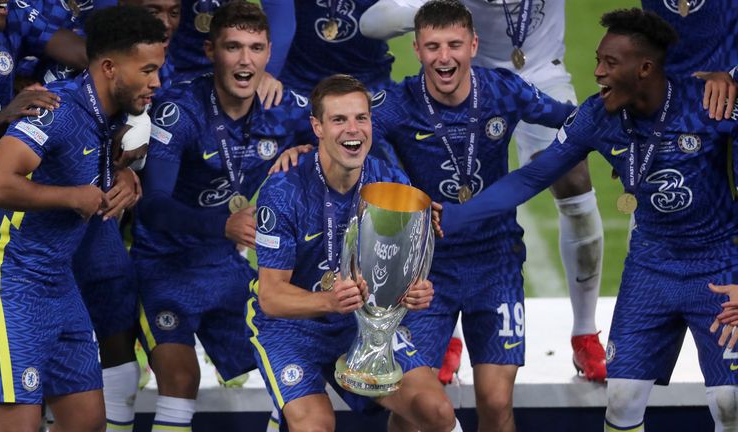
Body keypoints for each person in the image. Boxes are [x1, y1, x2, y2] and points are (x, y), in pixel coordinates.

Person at [438, 8, 738, 432]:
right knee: (622, 398)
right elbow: (532, 177)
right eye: (598, 59)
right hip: (650, 267)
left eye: (609, 63)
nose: (596, 72)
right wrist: (454, 216)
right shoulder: (597, 116)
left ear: (645, 68)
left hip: (717, 266)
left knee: (730, 402)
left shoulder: (710, 107)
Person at [361, 0, 607, 383]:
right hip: (461, 61)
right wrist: (431, 12)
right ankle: (446, 336)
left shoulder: (509, 87)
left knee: (574, 175)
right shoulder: (410, 88)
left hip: (539, 71)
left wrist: (621, 124)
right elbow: (370, 24)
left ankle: (585, 331)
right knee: (427, 178)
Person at [0, 5, 165, 431]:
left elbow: (91, 163)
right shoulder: (55, 109)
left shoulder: (108, 118)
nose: (156, 83)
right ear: (111, 67)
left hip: (58, 281)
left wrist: (125, 176)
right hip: (8, 281)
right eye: (148, 71)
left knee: (87, 421)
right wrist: (71, 196)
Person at [132, 2, 315, 430]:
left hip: (224, 266)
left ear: (270, 54)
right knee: (181, 378)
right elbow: (153, 205)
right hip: (163, 267)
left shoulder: (284, 106)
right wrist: (223, 225)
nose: (245, 60)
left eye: (255, 48)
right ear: (212, 50)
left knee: (293, 367)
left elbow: (352, 130)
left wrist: (307, 149)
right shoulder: (179, 110)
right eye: (233, 47)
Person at [250, 73, 458, 432]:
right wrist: (331, 301)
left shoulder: (391, 184)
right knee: (316, 426)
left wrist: (414, 290)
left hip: (359, 323)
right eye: (339, 119)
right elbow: (270, 297)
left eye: (361, 118)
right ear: (316, 126)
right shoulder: (283, 191)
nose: (354, 129)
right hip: (290, 328)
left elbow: (400, 272)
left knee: (436, 411)